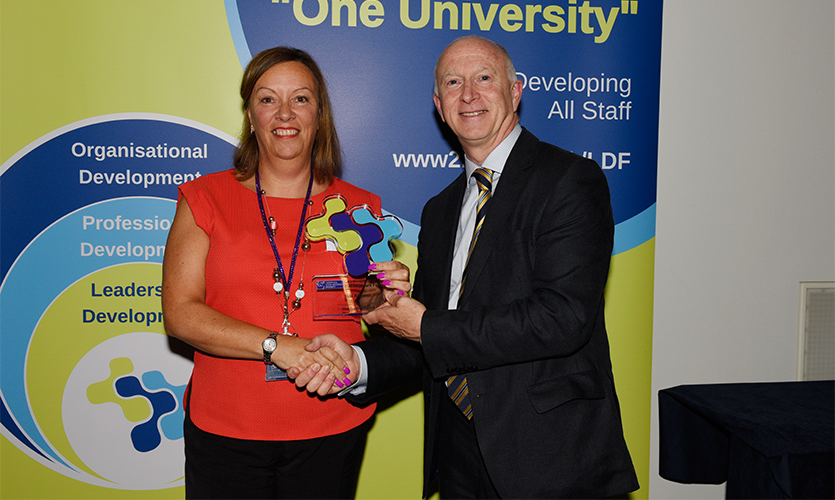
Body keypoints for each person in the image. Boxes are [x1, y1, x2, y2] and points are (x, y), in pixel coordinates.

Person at [292, 36, 639, 498]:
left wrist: (425, 326)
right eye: (453, 83)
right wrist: (355, 363)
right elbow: (432, 339)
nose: (469, 95)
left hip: (550, 457)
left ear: (515, 91)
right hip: (457, 456)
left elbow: (563, 318)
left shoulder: (570, 180)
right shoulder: (440, 210)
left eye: (484, 78)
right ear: (439, 106)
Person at [161, 46, 407, 499]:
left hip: (331, 426)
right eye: (267, 98)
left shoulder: (359, 206)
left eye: (301, 98)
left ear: (319, 115)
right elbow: (180, 314)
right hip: (225, 430)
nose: (284, 113)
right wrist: (279, 347)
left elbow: (364, 305)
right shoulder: (205, 198)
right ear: (251, 115)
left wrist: (383, 295)